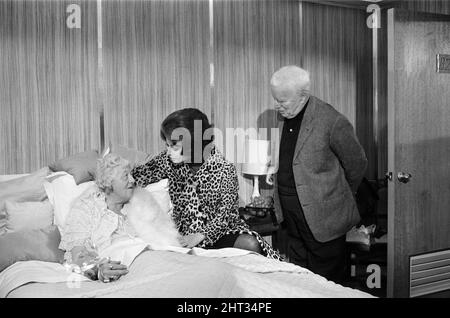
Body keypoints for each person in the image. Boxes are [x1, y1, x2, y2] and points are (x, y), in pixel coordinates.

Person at [132, 108, 281, 260]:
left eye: (174, 145)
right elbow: (135, 176)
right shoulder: (167, 160)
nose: (169, 151)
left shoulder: (224, 169)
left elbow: (226, 215)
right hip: (184, 235)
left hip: (219, 232)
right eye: (167, 145)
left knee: (250, 243)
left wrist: (201, 235)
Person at [268, 65, 368, 282]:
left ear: (303, 95)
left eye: (282, 101)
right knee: (301, 277)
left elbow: (357, 163)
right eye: (275, 99)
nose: (277, 106)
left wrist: (332, 197)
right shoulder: (285, 117)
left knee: (328, 283)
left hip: (325, 219)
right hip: (292, 218)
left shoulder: (331, 120)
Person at [59, 154, 138, 283]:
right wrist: (98, 270)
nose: (133, 180)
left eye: (131, 175)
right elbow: (78, 256)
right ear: (109, 182)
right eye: (125, 175)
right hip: (124, 273)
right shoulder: (86, 208)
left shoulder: (140, 208)